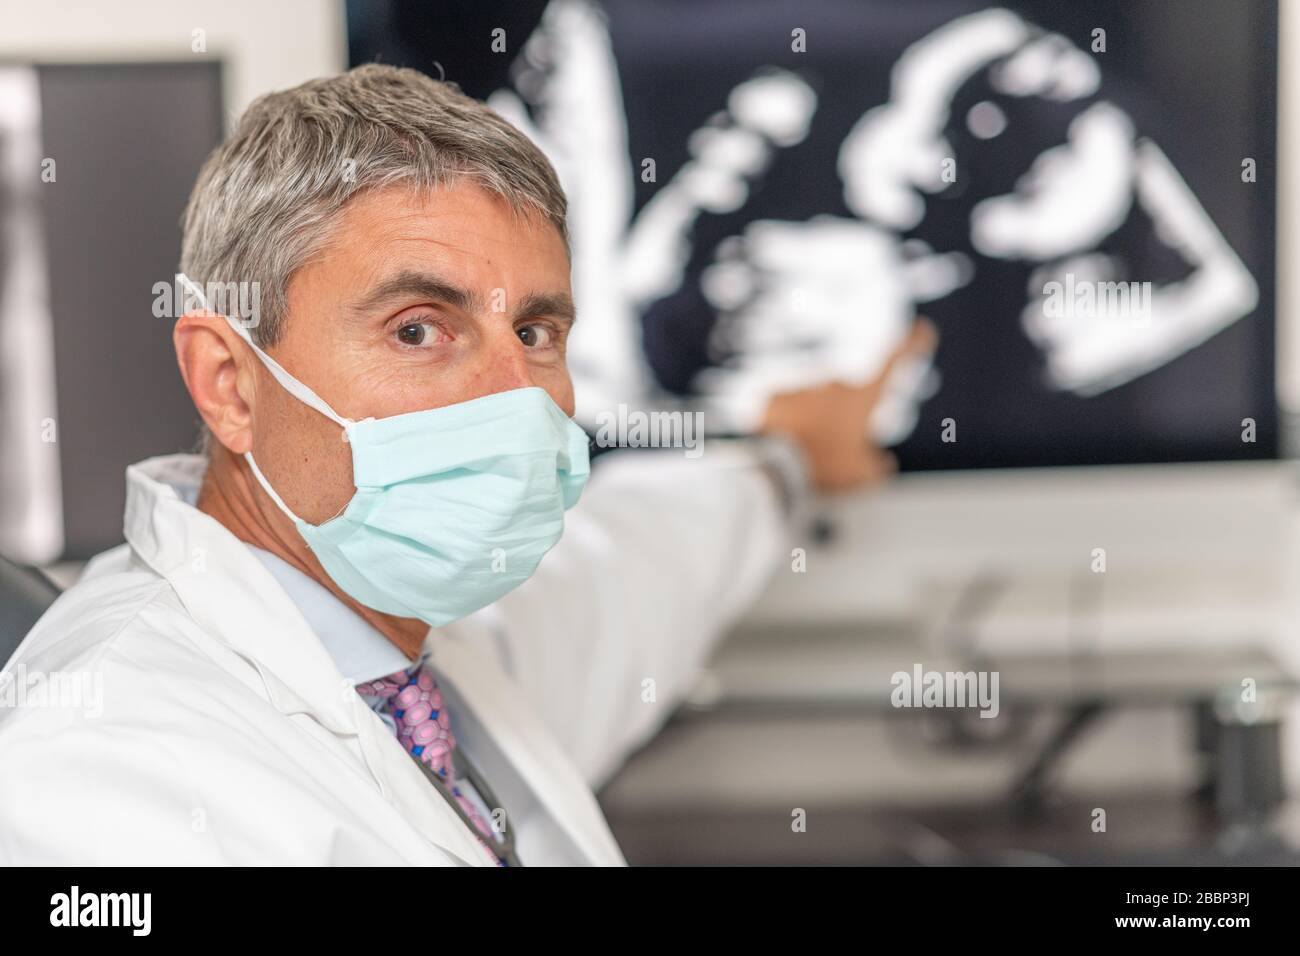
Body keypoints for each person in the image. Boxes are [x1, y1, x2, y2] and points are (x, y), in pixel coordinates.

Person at [0, 64, 932, 865]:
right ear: (231, 383)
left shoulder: (423, 663)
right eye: (418, 329)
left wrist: (787, 457)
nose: (513, 396)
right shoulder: (99, 771)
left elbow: (636, 567)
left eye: (534, 330)